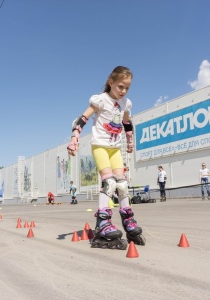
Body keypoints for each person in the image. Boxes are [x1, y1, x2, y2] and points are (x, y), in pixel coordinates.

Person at [67, 66, 145, 249]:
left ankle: (129, 222)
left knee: (122, 184)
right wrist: (74, 137)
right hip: (100, 146)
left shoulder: (126, 103)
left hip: (115, 148)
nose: (123, 91)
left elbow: (126, 123)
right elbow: (83, 118)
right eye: (120, 86)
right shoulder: (100, 100)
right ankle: (103, 223)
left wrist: (130, 140)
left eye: (127, 88)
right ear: (111, 82)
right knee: (109, 182)